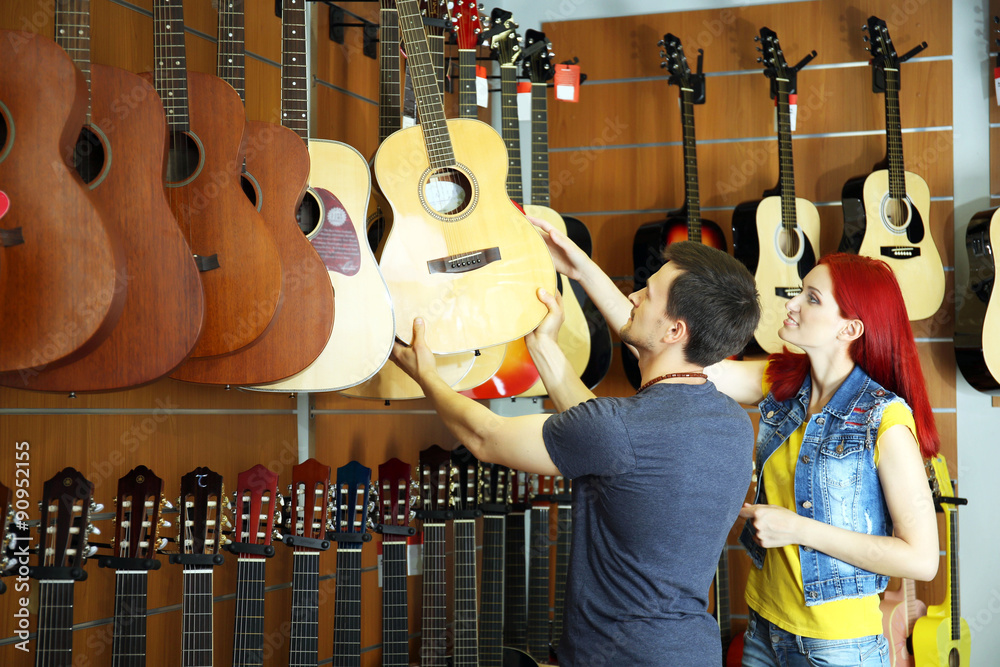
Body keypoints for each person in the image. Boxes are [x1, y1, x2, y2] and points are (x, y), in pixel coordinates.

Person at [529, 218, 940, 667]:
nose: (793, 302)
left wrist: (798, 529)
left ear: (850, 330)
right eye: (800, 289)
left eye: (812, 298)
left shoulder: (886, 420)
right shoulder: (781, 382)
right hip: (764, 628)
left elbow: (921, 560)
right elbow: (669, 346)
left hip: (837, 647)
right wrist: (582, 269)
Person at [390, 240, 761, 666]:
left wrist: (427, 376)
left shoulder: (621, 428)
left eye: (648, 294)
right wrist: (545, 347)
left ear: (674, 331)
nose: (633, 298)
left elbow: (484, 437)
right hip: (691, 649)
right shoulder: (732, 422)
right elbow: (606, 438)